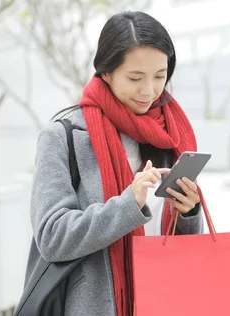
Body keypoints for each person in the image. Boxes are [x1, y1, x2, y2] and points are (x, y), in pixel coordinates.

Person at [30, 11, 205, 316]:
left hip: (163, 301)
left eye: (160, 76)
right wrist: (128, 205)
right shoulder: (64, 136)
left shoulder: (168, 135)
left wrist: (189, 212)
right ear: (106, 72)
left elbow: (179, 246)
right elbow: (52, 237)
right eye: (135, 78)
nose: (149, 91)